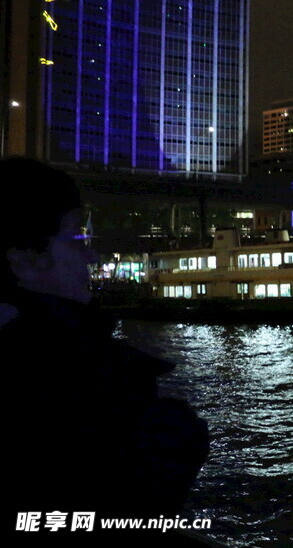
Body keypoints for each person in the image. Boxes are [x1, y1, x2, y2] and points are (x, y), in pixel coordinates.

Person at [0, 157, 209, 530]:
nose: (91, 254)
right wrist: (172, 434)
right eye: (77, 238)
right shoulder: (70, 374)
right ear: (26, 259)